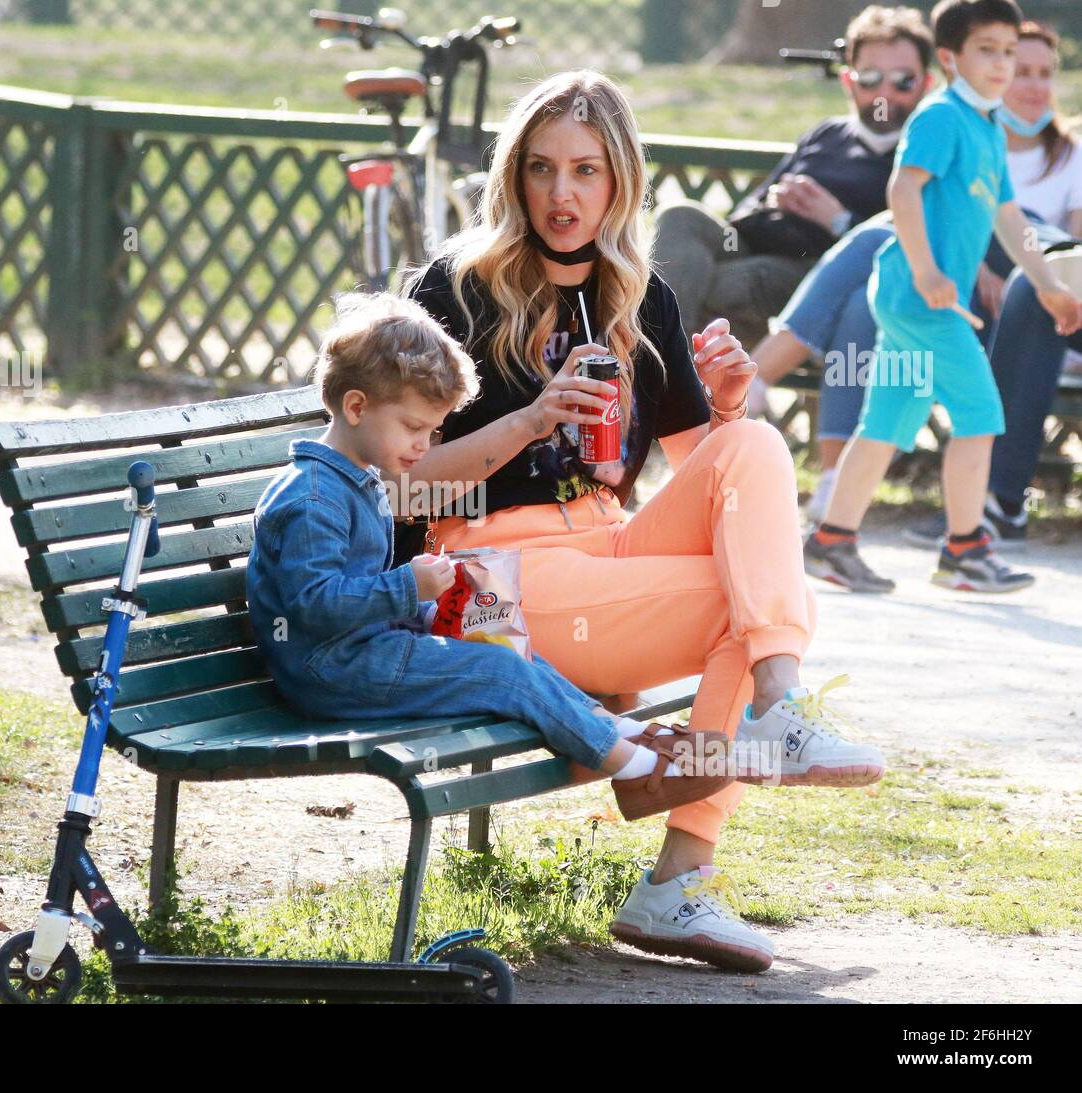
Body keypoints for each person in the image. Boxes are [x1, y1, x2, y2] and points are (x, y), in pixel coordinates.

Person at [402, 69, 885, 975]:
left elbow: (719, 488)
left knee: (758, 455)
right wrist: (530, 420)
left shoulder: (641, 296)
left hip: (606, 545)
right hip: (491, 575)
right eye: (541, 170)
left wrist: (732, 407)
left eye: (586, 171)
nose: (561, 194)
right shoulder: (455, 293)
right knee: (751, 606)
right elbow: (402, 488)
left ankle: (774, 709)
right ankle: (680, 877)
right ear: (513, 176)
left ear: (619, 180)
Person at [244, 292, 736, 834]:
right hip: (330, 673)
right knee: (502, 672)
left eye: (433, 432)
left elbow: (354, 593)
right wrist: (409, 587)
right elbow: (312, 606)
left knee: (504, 642)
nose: (424, 446)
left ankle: (617, 733)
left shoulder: (354, 480)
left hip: (361, 652)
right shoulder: (314, 499)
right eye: (413, 429)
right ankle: (640, 771)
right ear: (356, 407)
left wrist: (431, 611)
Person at [750, 21, 1082, 539]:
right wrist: (961, 267)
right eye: (1007, 61)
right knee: (956, 400)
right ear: (960, 64)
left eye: (1038, 70)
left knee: (902, 409)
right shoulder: (961, 127)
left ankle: (842, 525)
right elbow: (923, 202)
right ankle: (943, 543)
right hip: (930, 295)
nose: (1024, 79)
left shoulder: (1058, 152)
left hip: (998, 300)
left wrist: (1032, 282)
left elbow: (1055, 246)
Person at [651, 5, 934, 350]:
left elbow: (911, 247)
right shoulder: (827, 133)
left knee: (731, 284)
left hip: (818, 269)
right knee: (679, 214)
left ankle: (660, 377)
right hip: (753, 244)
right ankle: (664, 374)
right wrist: (776, 200)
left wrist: (837, 220)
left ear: (925, 84)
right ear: (849, 80)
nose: (885, 94)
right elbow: (750, 207)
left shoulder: (924, 152)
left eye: (903, 81)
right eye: (871, 78)